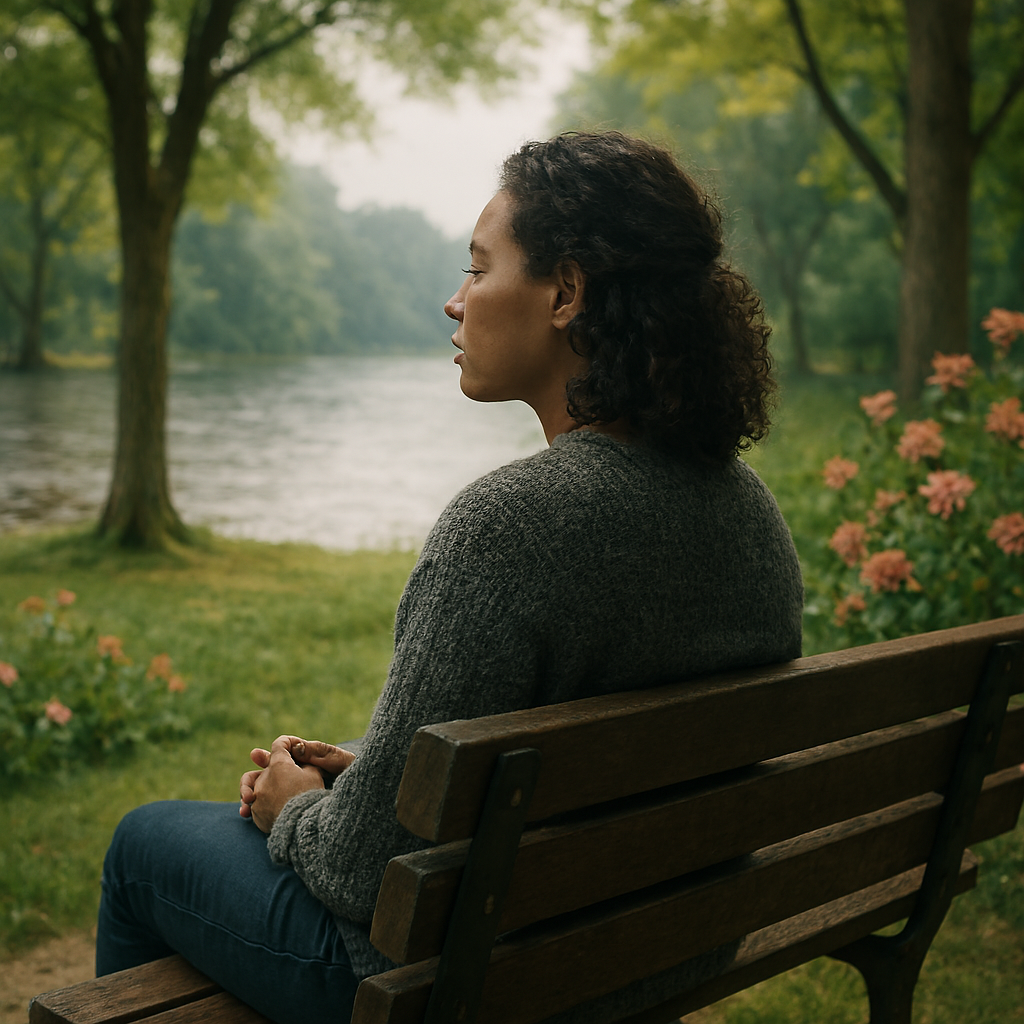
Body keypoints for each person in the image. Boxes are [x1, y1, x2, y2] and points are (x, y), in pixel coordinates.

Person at [95, 131, 803, 1024]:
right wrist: (378, 772)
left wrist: (296, 809)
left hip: (468, 984)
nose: (454, 300)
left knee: (142, 846)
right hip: (660, 948)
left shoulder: (507, 526)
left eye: (478, 268)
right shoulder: (749, 514)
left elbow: (359, 874)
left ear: (566, 293)